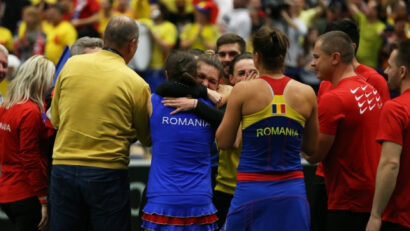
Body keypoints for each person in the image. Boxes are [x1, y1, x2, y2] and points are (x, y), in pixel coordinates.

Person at [49, 15, 152, 231]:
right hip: (107, 171)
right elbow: (146, 137)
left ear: (104, 37)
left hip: (63, 167)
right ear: (133, 44)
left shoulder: (71, 65)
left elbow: (56, 119)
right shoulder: (137, 83)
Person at [216, 26, 318, 231]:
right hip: (292, 191)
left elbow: (224, 142)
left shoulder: (243, 90)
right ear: (284, 55)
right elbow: (311, 149)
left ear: (256, 57)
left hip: (251, 190)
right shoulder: (306, 93)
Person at [310, 19, 391, 231]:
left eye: (317, 57)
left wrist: (295, 121)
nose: (312, 64)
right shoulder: (364, 86)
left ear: (336, 57)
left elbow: (313, 154)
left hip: (349, 195)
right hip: (356, 187)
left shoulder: (339, 96)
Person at [141, 50, 218, 231]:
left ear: (166, 74)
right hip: (200, 202)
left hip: (161, 202)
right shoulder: (212, 107)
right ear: (196, 76)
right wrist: (204, 93)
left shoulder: (152, 102)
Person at [0, 55, 55, 231]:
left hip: (7, 190)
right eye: (50, 80)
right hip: (27, 193)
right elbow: (29, 158)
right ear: (41, 81)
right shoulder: (30, 111)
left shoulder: (6, 106)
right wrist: (43, 198)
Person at [366, 39, 410, 231]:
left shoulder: (395, 109)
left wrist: (375, 215)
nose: (385, 71)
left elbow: (390, 164)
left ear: (402, 71)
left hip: (399, 217)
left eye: (389, 67)